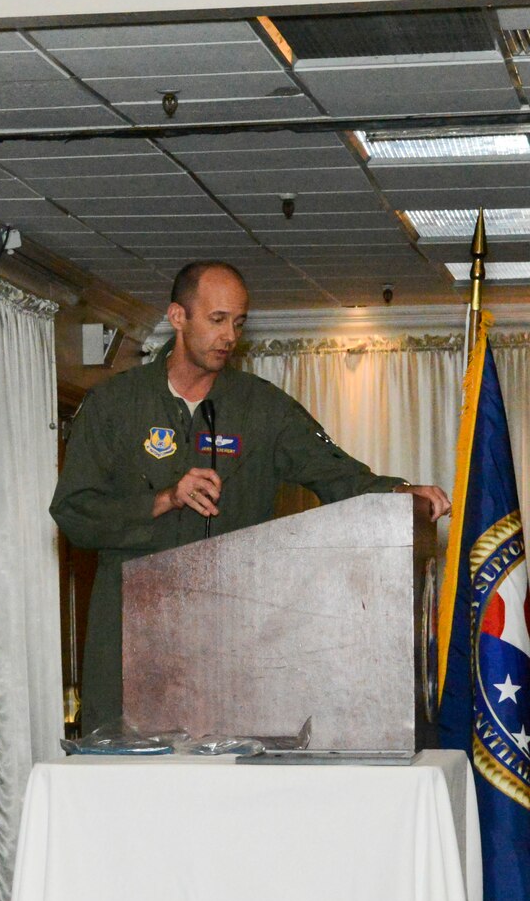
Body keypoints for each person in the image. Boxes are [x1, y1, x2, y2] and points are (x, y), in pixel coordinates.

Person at [50, 259, 451, 735]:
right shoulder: (115, 405)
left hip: (233, 643)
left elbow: (338, 474)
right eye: (216, 319)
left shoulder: (262, 407)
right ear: (178, 316)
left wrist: (400, 492)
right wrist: (163, 500)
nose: (228, 336)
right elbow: (74, 513)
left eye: (237, 323)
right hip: (132, 643)